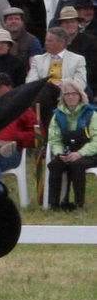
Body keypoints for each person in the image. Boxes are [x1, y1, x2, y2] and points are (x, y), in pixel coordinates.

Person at [45, 80, 96, 209]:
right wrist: (59, 153)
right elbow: (54, 139)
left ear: (80, 96)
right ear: (62, 97)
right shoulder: (57, 115)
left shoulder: (91, 114)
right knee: (55, 165)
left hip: (89, 154)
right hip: (67, 151)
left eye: (74, 93)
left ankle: (79, 204)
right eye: (67, 94)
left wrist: (79, 154)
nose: (70, 97)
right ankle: (54, 204)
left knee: (76, 165)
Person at [28, 27, 88, 93]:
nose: (46, 43)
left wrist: (62, 83)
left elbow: (81, 83)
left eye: (50, 41)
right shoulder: (38, 59)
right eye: (46, 40)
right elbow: (30, 82)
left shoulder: (78, 59)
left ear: (62, 43)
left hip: (66, 95)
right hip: (43, 95)